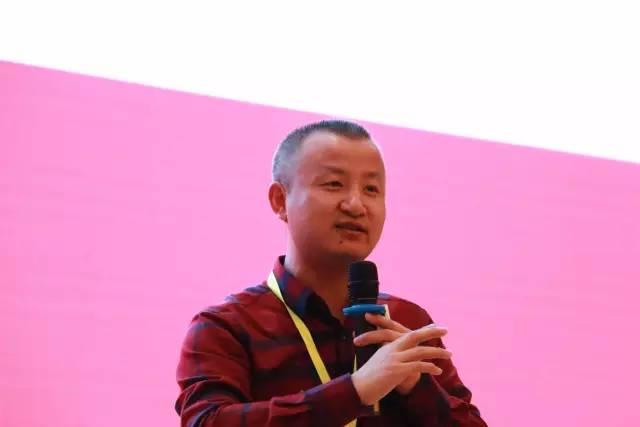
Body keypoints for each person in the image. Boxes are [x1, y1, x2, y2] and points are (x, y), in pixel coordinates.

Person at [175, 120, 487, 426]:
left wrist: (417, 387)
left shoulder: (408, 322)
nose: (356, 205)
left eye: (371, 189)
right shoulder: (227, 327)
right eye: (334, 184)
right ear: (280, 200)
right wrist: (357, 390)